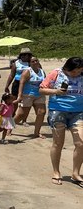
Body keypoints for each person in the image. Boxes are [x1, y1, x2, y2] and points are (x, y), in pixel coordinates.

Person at [39, 57, 83, 186]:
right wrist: (56, 91)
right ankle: (56, 172)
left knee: (81, 143)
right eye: (74, 71)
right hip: (58, 110)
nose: (77, 74)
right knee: (58, 143)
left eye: (80, 71)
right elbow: (41, 89)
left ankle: (76, 173)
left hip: (79, 112)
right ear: (67, 68)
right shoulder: (56, 73)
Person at [13, 56, 47, 138]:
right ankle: (8, 127)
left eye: (36, 60)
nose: (35, 62)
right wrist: (20, 95)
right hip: (27, 95)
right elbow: (21, 83)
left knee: (41, 112)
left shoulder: (42, 71)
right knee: (21, 115)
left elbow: (45, 82)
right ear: (29, 63)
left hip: (39, 95)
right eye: (33, 61)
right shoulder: (27, 71)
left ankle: (36, 132)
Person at [5, 47, 33, 114]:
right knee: (14, 100)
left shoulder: (32, 63)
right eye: (24, 55)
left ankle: (24, 119)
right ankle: (13, 114)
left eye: (28, 55)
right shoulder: (16, 63)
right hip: (17, 83)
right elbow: (12, 75)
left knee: (26, 101)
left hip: (28, 84)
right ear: (21, 55)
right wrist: (7, 85)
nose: (26, 56)